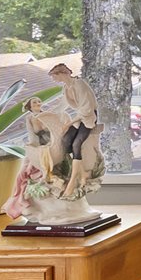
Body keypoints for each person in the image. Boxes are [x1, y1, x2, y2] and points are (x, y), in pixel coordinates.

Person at [48, 63, 101, 198]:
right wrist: (49, 113)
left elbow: (87, 109)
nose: (54, 79)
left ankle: (72, 182)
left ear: (61, 74)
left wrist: (69, 123)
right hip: (79, 117)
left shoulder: (79, 84)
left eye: (54, 76)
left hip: (89, 117)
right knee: (66, 141)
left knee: (76, 144)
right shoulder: (66, 87)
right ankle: (83, 174)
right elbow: (63, 105)